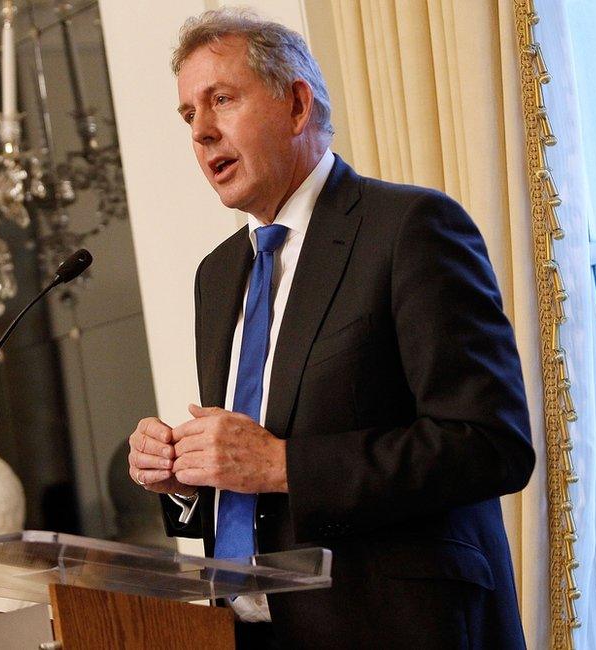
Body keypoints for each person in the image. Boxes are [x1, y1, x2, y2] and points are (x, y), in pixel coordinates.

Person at [127, 8, 535, 649]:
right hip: (253, 632)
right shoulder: (218, 274)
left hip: (396, 628)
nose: (202, 133)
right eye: (188, 115)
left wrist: (283, 464)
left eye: (222, 100)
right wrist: (189, 476)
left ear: (295, 104)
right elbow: (251, 484)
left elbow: (488, 445)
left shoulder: (409, 228)